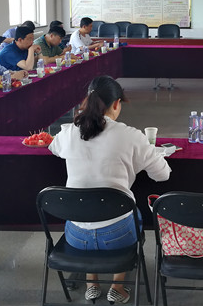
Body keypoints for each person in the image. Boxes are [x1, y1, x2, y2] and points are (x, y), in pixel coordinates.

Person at [49, 75, 171, 304]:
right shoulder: (131, 136)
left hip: (76, 237)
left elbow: (54, 147)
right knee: (129, 211)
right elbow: (162, 175)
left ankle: (92, 284)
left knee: (87, 211)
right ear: (116, 104)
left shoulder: (70, 131)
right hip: (117, 235)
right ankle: (117, 287)